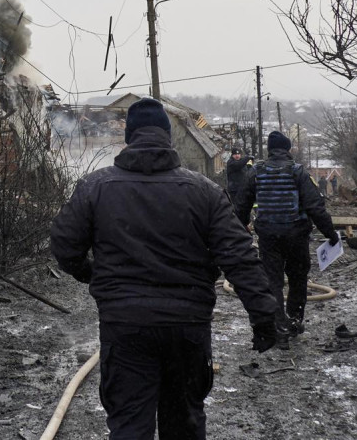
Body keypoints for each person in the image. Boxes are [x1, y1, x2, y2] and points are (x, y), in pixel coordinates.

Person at [50, 98, 278, 440]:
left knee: (129, 425)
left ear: (128, 137)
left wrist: (92, 274)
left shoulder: (95, 188)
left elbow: (64, 247)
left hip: (126, 328)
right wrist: (263, 317)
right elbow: (239, 257)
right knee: (184, 424)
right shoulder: (205, 193)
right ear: (168, 138)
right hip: (187, 330)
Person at [236, 130, 340, 342]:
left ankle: (278, 324)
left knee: (272, 280)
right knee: (297, 277)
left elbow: (241, 206)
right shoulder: (298, 172)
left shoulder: (256, 172)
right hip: (296, 235)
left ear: (269, 150)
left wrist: (238, 233)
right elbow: (315, 207)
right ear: (288, 149)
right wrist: (330, 234)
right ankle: (293, 320)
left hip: (268, 236)